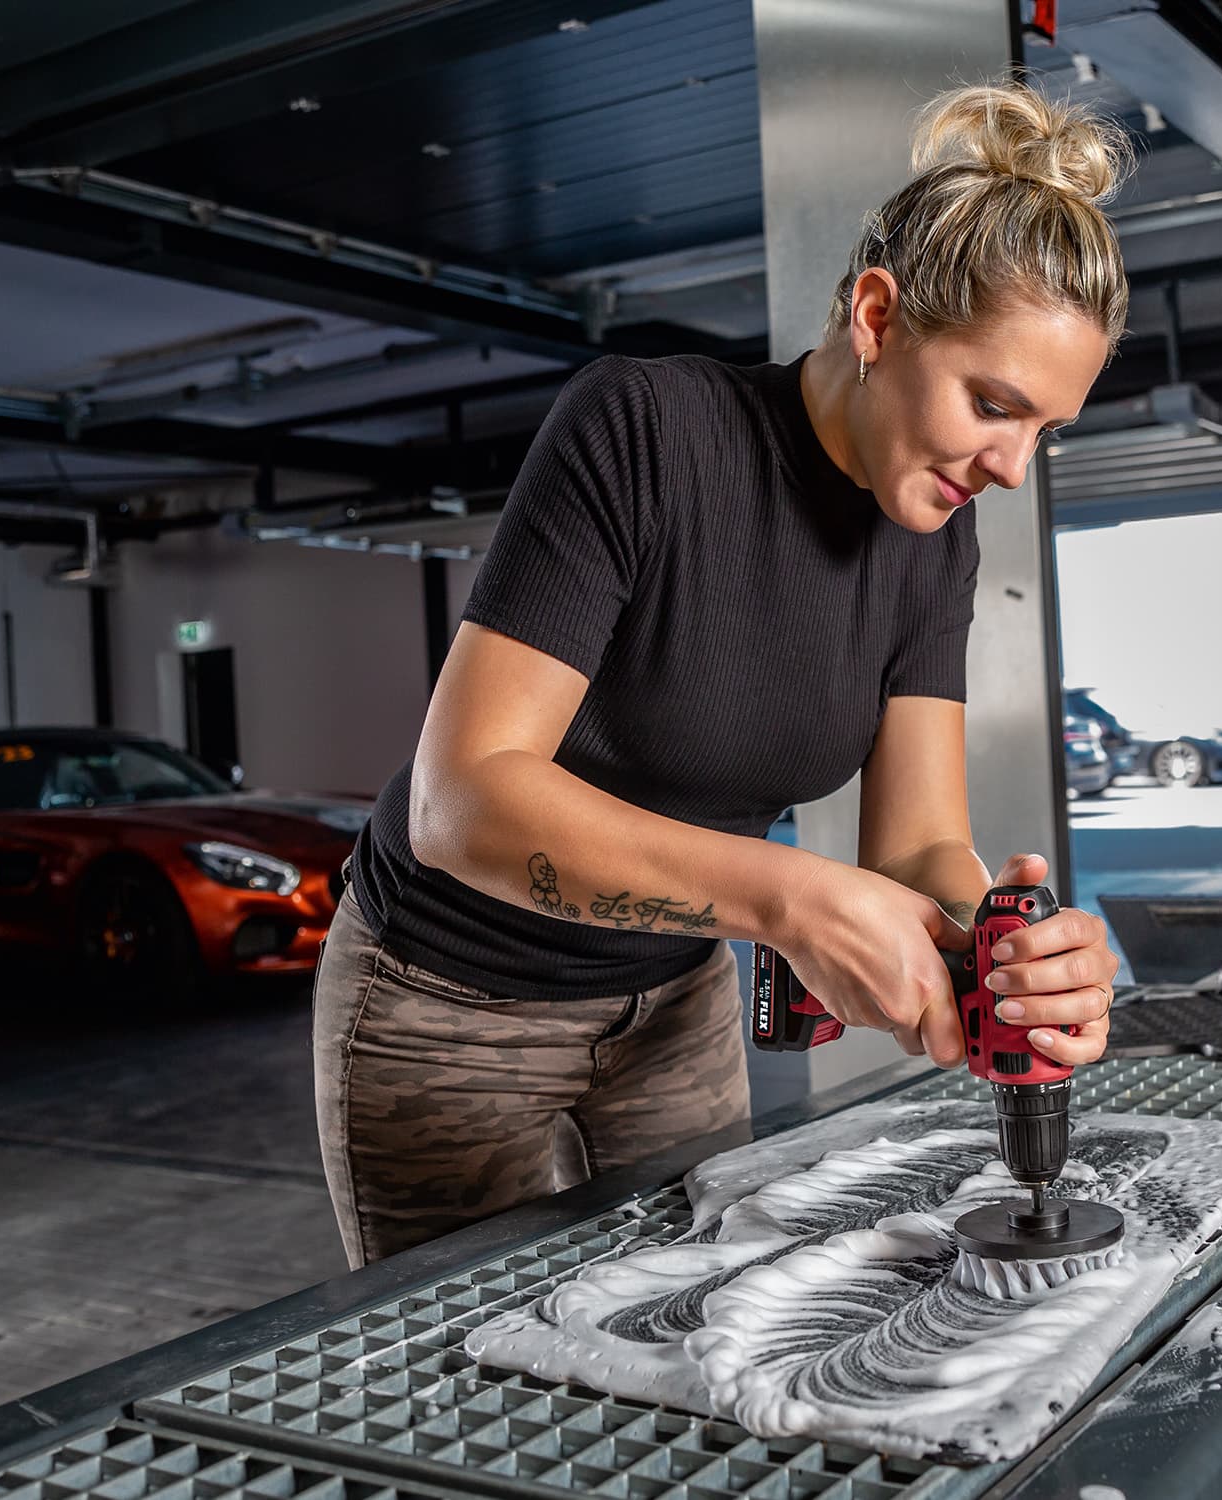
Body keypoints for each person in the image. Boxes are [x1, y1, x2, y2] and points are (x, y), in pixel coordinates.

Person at [313, 80, 1132, 1268]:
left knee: (692, 1318)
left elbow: (913, 851)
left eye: (1042, 432)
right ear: (874, 315)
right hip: (450, 997)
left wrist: (1007, 956)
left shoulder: (933, 535)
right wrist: (787, 900)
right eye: (992, 404)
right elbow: (461, 800)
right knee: (466, 1369)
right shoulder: (645, 430)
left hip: (677, 1001)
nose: (1010, 467)